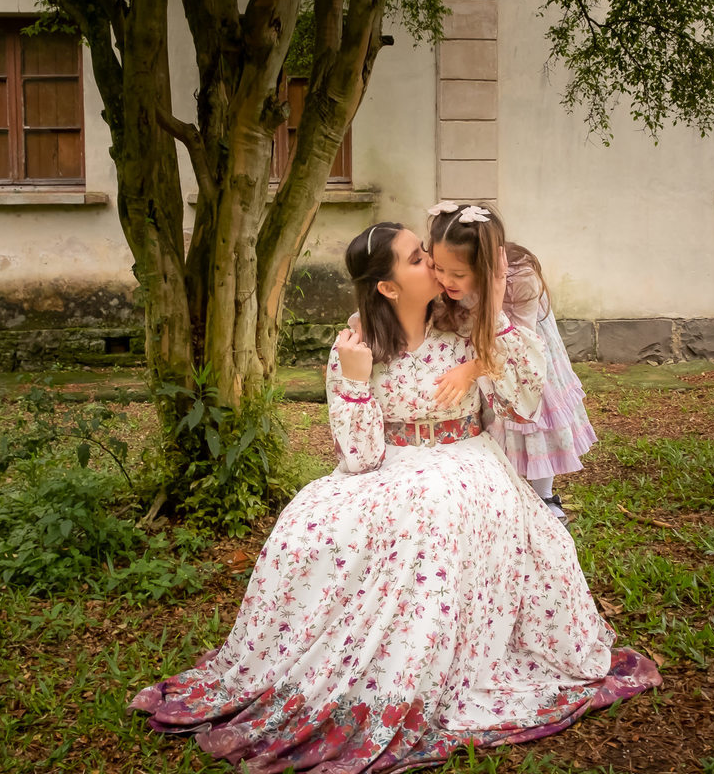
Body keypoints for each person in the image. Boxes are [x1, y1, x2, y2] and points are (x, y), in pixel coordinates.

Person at [129, 221, 660, 773]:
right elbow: (359, 455)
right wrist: (357, 379)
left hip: (467, 460)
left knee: (432, 511)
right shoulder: (358, 343)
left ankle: (423, 669)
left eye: (426, 252)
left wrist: (486, 336)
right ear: (387, 286)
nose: (432, 263)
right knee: (308, 520)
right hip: (389, 463)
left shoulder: (466, 324)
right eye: (415, 258)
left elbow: (526, 395)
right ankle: (327, 662)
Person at [426, 202, 596, 524]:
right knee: (495, 421)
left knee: (531, 420)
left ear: (486, 263)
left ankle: (544, 496)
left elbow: (520, 354)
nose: (445, 280)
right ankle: (509, 488)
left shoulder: (521, 280)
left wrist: (474, 367)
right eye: (438, 267)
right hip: (481, 345)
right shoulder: (444, 279)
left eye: (458, 274)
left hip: (523, 354)